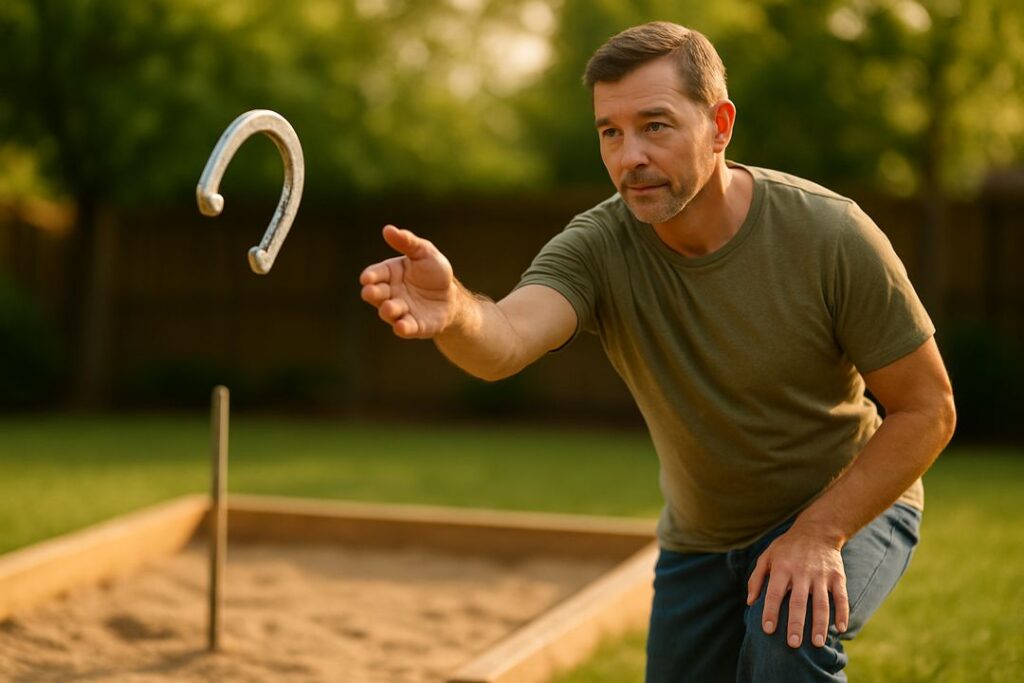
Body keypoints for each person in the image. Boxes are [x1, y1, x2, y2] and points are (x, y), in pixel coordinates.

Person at [359, 21, 955, 683]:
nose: (628, 157)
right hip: (701, 541)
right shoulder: (597, 246)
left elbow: (928, 407)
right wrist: (454, 313)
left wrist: (818, 532)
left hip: (846, 501)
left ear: (720, 125)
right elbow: (505, 341)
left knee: (785, 640)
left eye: (655, 125)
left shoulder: (829, 234)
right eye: (610, 132)